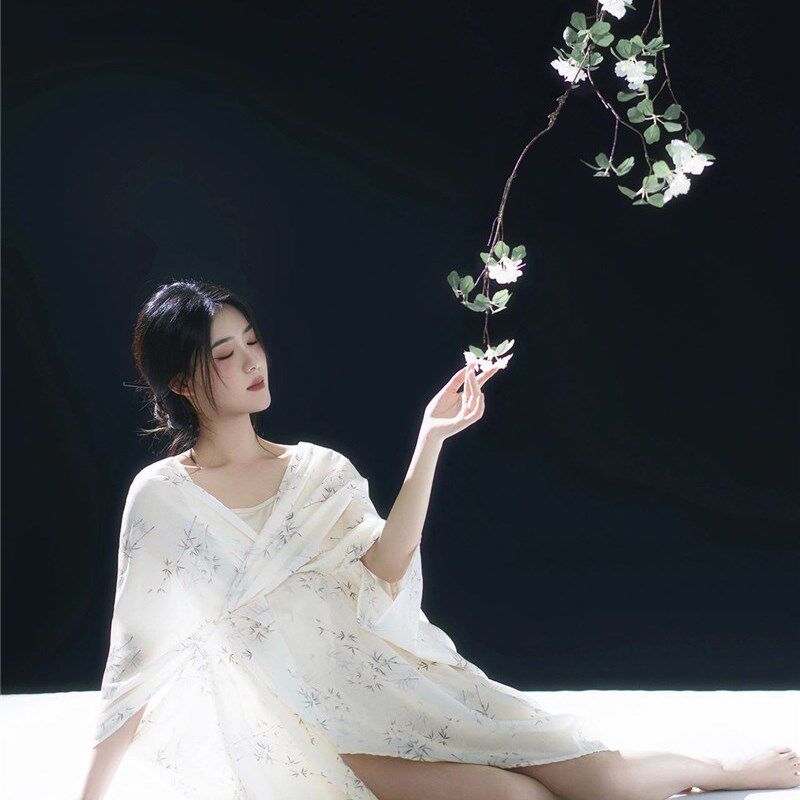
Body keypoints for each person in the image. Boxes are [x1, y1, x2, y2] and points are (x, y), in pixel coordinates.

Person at [80, 279, 799, 800]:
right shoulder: (164, 496)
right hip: (310, 731)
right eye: (224, 354)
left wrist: (430, 441)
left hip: (396, 685)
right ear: (181, 380)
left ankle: (720, 771)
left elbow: (384, 570)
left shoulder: (316, 472)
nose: (251, 362)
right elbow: (136, 662)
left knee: (601, 781)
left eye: (252, 342)